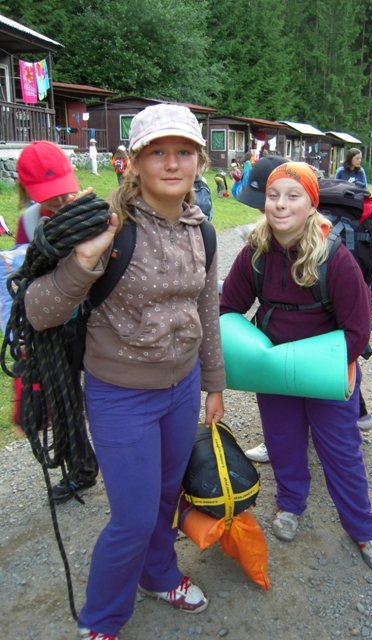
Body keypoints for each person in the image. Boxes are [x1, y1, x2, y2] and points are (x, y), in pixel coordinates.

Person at [24, 104, 226, 640]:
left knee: (165, 498)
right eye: (157, 152)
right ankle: (101, 619)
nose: (171, 163)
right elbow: (39, 311)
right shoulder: (107, 226)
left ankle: (158, 575)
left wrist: (214, 385)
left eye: (183, 152)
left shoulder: (202, 230)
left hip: (182, 390)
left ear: (199, 161)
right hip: (121, 396)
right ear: (133, 162)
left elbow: (207, 310)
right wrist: (84, 260)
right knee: (132, 518)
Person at [220, 161, 372, 571]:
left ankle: (363, 527)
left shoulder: (336, 257)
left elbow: (357, 331)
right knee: (283, 443)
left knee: (341, 452)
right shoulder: (255, 253)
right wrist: (252, 355)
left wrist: (312, 364)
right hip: (273, 372)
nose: (280, 204)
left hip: (326, 374)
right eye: (273, 195)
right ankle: (290, 503)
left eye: (293, 196)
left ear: (311, 205)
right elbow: (229, 309)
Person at [15, 140, 99, 503]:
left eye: (63, 190)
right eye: (50, 195)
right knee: (66, 402)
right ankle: (81, 468)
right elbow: (22, 277)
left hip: (93, 322)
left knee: (105, 394)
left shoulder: (90, 212)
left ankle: (123, 457)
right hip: (52, 331)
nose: (60, 200)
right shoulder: (28, 223)